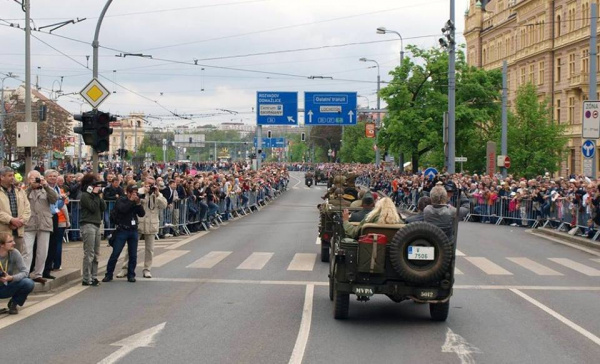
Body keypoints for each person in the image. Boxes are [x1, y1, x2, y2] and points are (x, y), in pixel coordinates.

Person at [117, 177, 166, 279]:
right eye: (148, 184)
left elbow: (164, 205)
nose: (150, 186)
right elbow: (133, 201)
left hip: (151, 224)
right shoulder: (139, 192)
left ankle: (147, 269)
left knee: (150, 249)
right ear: (144, 183)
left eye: (152, 184)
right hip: (138, 223)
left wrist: (157, 195)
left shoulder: (157, 194)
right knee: (130, 248)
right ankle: (125, 268)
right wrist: (144, 192)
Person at [103, 185, 145, 283]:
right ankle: (109, 274)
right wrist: (131, 201)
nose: (135, 195)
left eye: (136, 192)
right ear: (129, 193)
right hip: (122, 230)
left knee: (133, 255)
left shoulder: (136, 201)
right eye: (133, 193)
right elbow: (123, 210)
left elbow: (142, 214)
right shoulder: (121, 200)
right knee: (116, 253)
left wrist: (138, 204)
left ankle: (131, 274)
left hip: (133, 230)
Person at [23, 170, 58, 284]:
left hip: (44, 223)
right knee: (27, 251)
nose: (37, 180)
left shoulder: (46, 189)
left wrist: (46, 186)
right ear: (29, 179)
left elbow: (54, 199)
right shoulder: (24, 190)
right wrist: (30, 187)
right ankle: (25, 274)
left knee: (42, 251)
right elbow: (21, 199)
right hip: (30, 223)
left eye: (38, 178)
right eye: (34, 178)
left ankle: (38, 273)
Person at [79, 175, 107, 286]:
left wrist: (99, 196)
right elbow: (92, 207)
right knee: (89, 253)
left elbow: (103, 207)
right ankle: (86, 277)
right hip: (88, 224)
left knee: (96, 253)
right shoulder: (85, 196)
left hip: (96, 224)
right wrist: (95, 195)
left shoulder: (96, 196)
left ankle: (94, 276)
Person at [0, 232, 35, 315]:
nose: (14, 243)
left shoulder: (14, 253)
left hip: (7, 285)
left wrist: (12, 278)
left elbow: (25, 272)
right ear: (2, 244)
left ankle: (14, 304)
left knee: (28, 283)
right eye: (10, 242)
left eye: (13, 241)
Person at [0, 167, 30, 255]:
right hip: (3, 232)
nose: (12, 177)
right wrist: (11, 220)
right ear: (2, 177)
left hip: (18, 231)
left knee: (17, 259)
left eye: (13, 175)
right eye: (9, 176)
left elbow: (27, 208)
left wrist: (21, 221)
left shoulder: (19, 191)